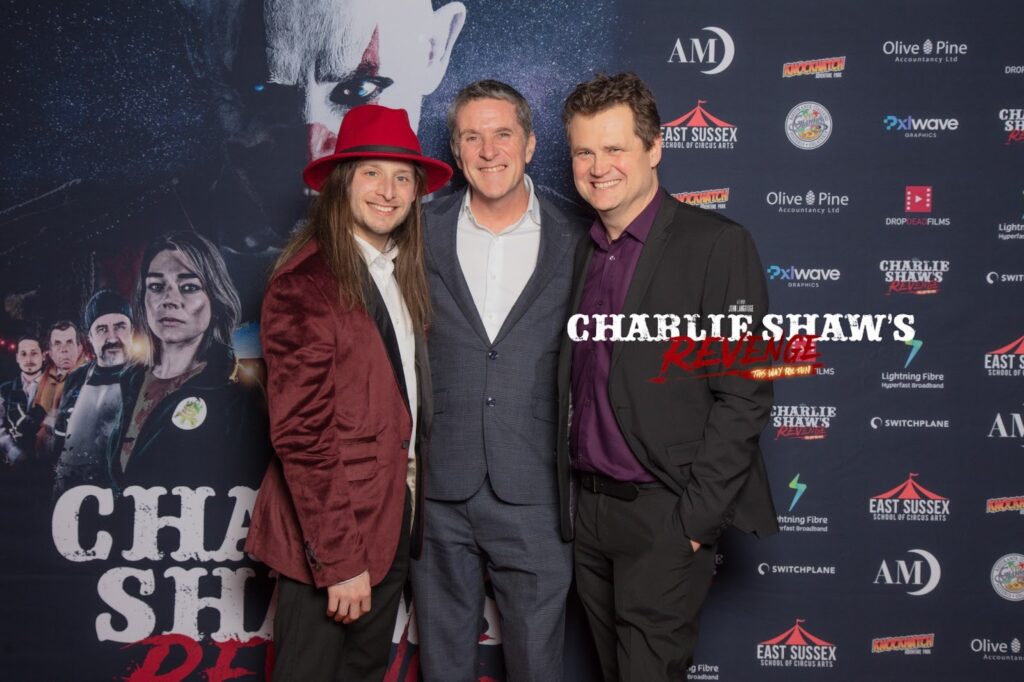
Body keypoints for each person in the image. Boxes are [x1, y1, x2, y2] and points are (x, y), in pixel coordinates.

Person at [557, 73, 778, 681]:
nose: (598, 167)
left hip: (664, 512)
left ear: (655, 149)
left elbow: (744, 396)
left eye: (614, 149)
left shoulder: (717, 246)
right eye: (583, 152)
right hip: (589, 514)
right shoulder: (583, 250)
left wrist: (692, 527)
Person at [244, 104, 451, 682]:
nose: (388, 191)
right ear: (341, 183)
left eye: (402, 177)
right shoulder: (306, 284)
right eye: (371, 173)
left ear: (415, 192)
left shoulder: (400, 271)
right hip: (332, 539)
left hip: (391, 523)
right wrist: (338, 562)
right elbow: (302, 436)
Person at [410, 80, 584, 681]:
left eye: (503, 133)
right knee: (441, 662)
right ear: (456, 152)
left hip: (534, 487)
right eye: (472, 137)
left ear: (531, 144)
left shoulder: (578, 237)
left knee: (538, 664)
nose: (489, 151)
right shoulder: (417, 229)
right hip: (439, 487)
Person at [107, 231, 269, 491]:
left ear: (214, 299)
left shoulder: (236, 393)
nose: (169, 300)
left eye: (189, 287)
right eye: (157, 286)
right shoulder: (128, 381)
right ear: (143, 298)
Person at [52, 290, 134, 495]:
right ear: (90, 337)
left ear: (132, 331)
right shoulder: (76, 379)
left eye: (120, 326)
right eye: (102, 329)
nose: (112, 337)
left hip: (125, 494)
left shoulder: (149, 377)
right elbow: (60, 440)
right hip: (74, 494)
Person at [0, 334, 45, 464]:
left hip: (45, 466)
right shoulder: (3, 390)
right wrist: (13, 452)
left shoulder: (56, 389)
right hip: (11, 465)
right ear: (17, 358)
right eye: (23, 354)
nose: (28, 359)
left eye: (34, 353)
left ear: (43, 355)